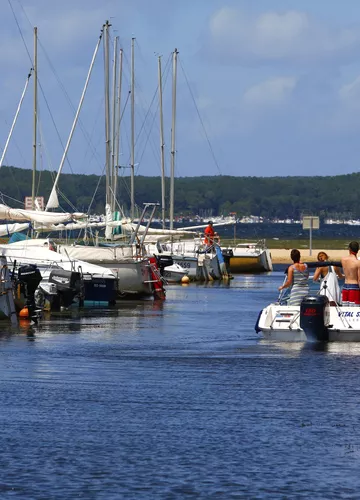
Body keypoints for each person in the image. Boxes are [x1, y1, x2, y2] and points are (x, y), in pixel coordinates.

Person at [341, 241, 360, 306]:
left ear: (349, 249)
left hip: (345, 286)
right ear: (358, 250)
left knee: (345, 310)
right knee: (355, 310)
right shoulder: (357, 262)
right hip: (355, 287)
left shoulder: (343, 259)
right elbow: (359, 279)